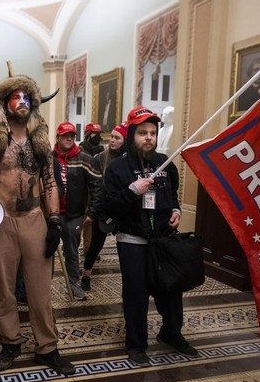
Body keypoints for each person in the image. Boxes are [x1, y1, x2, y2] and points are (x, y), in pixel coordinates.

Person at [0, 62, 75, 375]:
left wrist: (56, 221)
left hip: (35, 219)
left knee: (40, 290)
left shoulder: (41, 143)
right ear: (5, 103)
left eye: (26, 97)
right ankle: (10, 343)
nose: (21, 101)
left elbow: (50, 182)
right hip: (1, 221)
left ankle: (47, 347)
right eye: (15, 96)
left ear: (33, 104)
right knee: (5, 290)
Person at [103, 106, 198, 367]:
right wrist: (132, 190)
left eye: (152, 133)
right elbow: (108, 208)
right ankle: (136, 344)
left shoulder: (165, 164)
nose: (148, 137)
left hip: (164, 241)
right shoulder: (117, 169)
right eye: (142, 132)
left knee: (171, 290)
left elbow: (171, 197)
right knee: (136, 294)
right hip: (133, 241)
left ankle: (171, 333)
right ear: (132, 134)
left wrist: (176, 210)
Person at [53, 121, 101, 300]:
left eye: (72, 136)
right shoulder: (49, 159)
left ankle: (73, 284)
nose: (68, 138)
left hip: (74, 215)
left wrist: (91, 213)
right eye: (65, 135)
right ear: (58, 137)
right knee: (48, 250)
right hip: (52, 215)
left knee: (72, 251)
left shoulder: (85, 159)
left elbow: (97, 186)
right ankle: (43, 285)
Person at [81, 123, 127, 291]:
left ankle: (129, 281)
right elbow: (95, 185)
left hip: (123, 210)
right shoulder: (101, 157)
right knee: (95, 245)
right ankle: (86, 276)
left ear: (125, 140)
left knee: (125, 248)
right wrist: (93, 208)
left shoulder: (129, 159)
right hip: (103, 208)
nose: (112, 140)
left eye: (117, 138)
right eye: (112, 137)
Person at [78, 122, 104, 258]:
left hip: (95, 190)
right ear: (88, 135)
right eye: (95, 134)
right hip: (82, 191)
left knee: (91, 222)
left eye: (99, 134)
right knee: (80, 221)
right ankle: (72, 243)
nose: (97, 137)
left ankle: (88, 249)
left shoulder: (101, 150)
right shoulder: (80, 150)